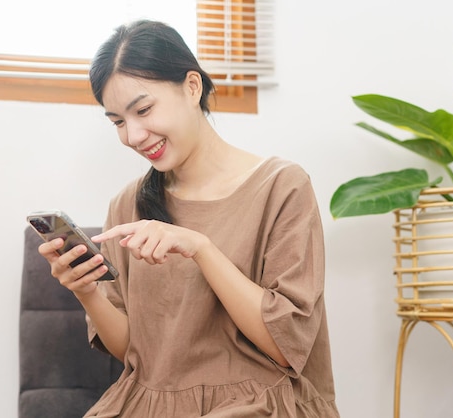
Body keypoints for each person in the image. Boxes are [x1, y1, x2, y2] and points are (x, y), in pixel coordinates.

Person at [38, 19, 339, 418]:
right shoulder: (128, 205)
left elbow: (286, 345)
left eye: (143, 109)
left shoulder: (282, 187)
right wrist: (86, 292)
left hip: (259, 404)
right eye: (118, 122)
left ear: (192, 87)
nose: (134, 135)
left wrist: (200, 247)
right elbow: (134, 349)